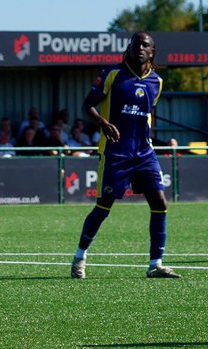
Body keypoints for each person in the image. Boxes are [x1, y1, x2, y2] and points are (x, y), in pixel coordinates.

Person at [71, 32, 180, 280]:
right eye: (136, 43)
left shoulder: (156, 82)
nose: (140, 47)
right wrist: (103, 122)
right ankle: (79, 257)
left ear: (152, 51)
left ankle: (156, 264)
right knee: (103, 207)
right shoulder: (112, 74)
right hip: (115, 153)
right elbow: (87, 105)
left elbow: (147, 117)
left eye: (145, 45)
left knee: (160, 203)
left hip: (144, 152)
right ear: (128, 47)